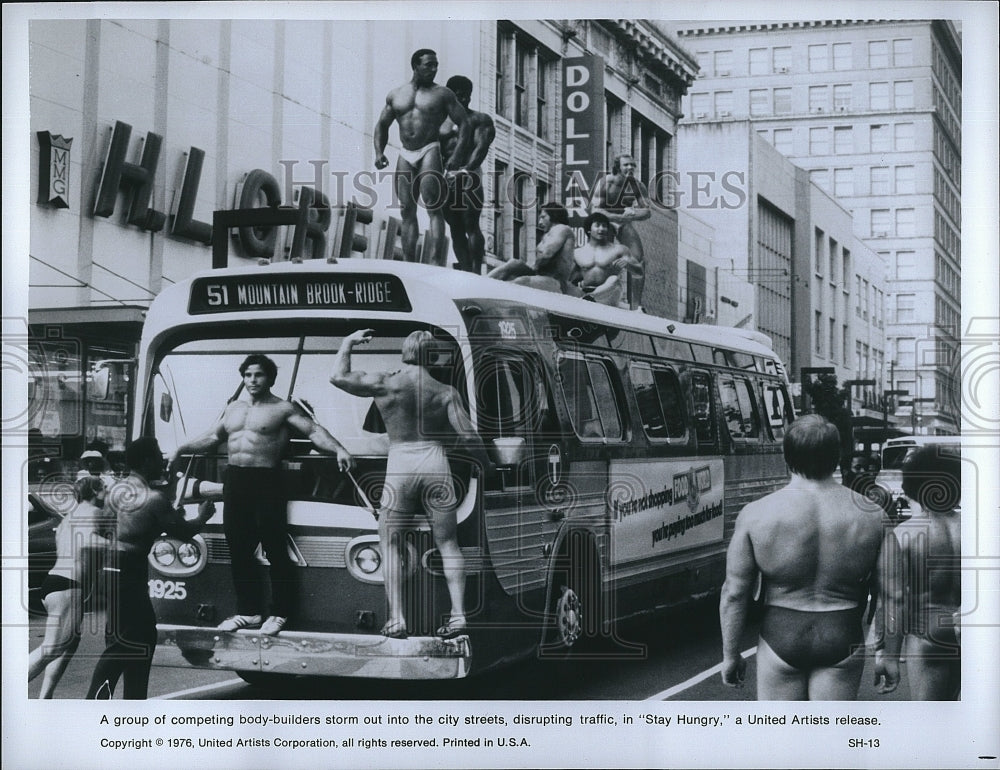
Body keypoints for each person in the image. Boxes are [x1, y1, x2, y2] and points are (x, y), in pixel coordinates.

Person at [168, 354, 354, 636]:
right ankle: (249, 611)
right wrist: (180, 449)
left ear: (269, 378)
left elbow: (314, 431)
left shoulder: (282, 408)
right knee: (238, 548)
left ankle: (280, 612)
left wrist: (339, 448)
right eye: (247, 375)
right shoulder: (233, 409)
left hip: (267, 480)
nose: (252, 380)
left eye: (258, 375)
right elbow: (211, 437)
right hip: (236, 480)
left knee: (275, 548)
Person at [719, 414, 899, 700]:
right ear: (837, 456)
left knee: (783, 741)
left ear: (786, 455)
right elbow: (893, 594)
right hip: (842, 634)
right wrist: (887, 654)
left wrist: (731, 655)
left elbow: (734, 592)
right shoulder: (873, 516)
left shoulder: (755, 515)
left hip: (781, 635)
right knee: (830, 741)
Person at [330, 330, 486, 639]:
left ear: (405, 352)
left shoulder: (385, 383)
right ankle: (458, 616)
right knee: (448, 543)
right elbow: (468, 436)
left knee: (389, 542)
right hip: (434, 461)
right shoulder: (445, 391)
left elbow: (339, 377)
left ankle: (398, 619)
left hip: (400, 463)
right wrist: (487, 464)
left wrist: (347, 341)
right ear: (432, 356)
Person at [86, 437, 215, 699]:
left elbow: (102, 528)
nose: (162, 461)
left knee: (140, 637)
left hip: (110, 570)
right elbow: (185, 531)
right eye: (157, 456)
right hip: (129, 571)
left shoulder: (115, 492)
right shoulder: (154, 498)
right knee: (125, 642)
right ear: (146, 461)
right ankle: (92, 706)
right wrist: (203, 515)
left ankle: (134, 703)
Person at [874, 445, 961, 699]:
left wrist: (888, 655)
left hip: (926, 633)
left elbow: (893, 600)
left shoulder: (904, 535)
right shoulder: (977, 530)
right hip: (967, 629)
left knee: (929, 720)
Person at [374, 49, 471, 267]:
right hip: (405, 153)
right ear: (415, 66)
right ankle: (410, 263)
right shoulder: (396, 94)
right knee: (406, 209)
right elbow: (382, 125)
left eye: (436, 65)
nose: (434, 69)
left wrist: (457, 155)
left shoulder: (443, 94)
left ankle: (436, 262)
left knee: (433, 206)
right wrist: (379, 152)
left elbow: (464, 123)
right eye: (429, 65)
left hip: (429, 149)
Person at [28, 476, 112, 698]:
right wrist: (114, 545)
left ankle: (45, 697)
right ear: (95, 491)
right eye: (105, 488)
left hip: (55, 583)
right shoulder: (93, 512)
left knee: (69, 644)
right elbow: (86, 540)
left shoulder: (69, 517)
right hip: (68, 587)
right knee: (52, 648)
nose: (108, 492)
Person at [440, 75, 496, 274]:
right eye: (459, 95)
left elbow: (480, 149)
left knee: (470, 223)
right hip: (446, 177)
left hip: (469, 174)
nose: (464, 99)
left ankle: (476, 270)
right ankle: (465, 270)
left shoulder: (480, 120)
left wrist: (465, 170)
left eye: (468, 96)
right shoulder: (439, 122)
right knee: (455, 227)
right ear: (450, 95)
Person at [590, 154, 651, 310]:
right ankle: (600, 296)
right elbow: (594, 210)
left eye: (632, 165)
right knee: (605, 259)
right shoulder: (605, 182)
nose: (630, 168)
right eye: (626, 165)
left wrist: (632, 215)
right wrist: (618, 216)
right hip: (605, 223)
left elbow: (646, 212)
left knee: (638, 260)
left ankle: (636, 306)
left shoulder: (637, 185)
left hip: (624, 224)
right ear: (618, 167)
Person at [487, 202, 579, 295]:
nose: (540, 222)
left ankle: (493, 291)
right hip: (541, 275)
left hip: (555, 280)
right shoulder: (550, 233)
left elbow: (546, 253)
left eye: (543, 217)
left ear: (554, 216)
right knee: (514, 263)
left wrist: (534, 267)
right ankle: (484, 282)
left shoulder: (562, 229)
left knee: (521, 281)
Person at [572, 212, 642, 307]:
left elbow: (640, 272)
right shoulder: (578, 253)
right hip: (584, 292)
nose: (601, 229)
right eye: (597, 226)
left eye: (604, 226)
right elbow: (570, 278)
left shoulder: (619, 249)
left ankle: (590, 298)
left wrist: (628, 265)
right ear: (589, 229)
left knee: (613, 279)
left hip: (609, 294)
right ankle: (588, 298)